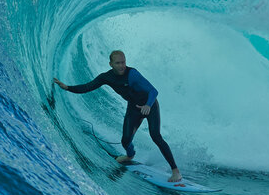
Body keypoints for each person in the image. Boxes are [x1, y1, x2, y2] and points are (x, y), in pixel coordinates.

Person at [54, 50, 182, 183]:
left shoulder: (132, 74)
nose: (122, 66)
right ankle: (130, 156)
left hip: (150, 106)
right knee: (125, 140)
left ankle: (176, 171)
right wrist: (67, 87)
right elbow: (88, 87)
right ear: (111, 64)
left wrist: (148, 105)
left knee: (155, 135)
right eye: (118, 63)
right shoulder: (106, 77)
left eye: (123, 62)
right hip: (134, 108)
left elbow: (153, 91)